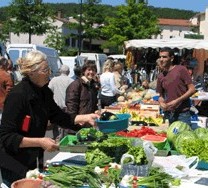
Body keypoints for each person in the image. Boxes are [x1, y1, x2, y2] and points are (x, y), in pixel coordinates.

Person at [0, 51, 99, 187]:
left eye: (49, 69)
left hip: (33, 159)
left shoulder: (44, 92)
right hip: (14, 163)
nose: (50, 73)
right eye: (45, 70)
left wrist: (84, 117)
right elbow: (7, 137)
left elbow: (59, 116)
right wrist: (40, 142)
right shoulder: (17, 96)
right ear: (32, 72)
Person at [156, 47, 196, 126]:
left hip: (183, 114)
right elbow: (160, 95)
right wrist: (161, 102)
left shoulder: (181, 70)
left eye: (164, 57)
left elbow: (192, 89)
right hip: (169, 114)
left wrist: (177, 101)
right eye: (160, 57)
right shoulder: (160, 76)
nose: (161, 59)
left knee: (184, 137)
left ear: (171, 58)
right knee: (171, 137)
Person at [65, 60, 99, 132]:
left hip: (89, 123)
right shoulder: (76, 85)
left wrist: (97, 112)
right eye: (89, 70)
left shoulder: (93, 85)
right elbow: (71, 106)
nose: (91, 72)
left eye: (93, 70)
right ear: (83, 71)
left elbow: (94, 104)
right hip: (77, 126)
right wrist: (77, 119)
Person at [48, 64, 74, 139]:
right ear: (68, 72)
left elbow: (49, 90)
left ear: (60, 71)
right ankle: (64, 137)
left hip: (56, 105)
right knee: (65, 122)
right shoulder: (71, 81)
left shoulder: (54, 80)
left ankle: (56, 137)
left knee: (55, 123)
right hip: (67, 105)